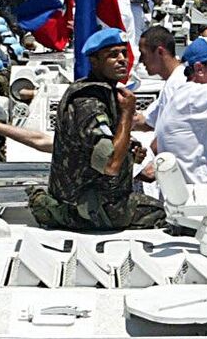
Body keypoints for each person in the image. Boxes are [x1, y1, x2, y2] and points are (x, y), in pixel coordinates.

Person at [27, 28, 164, 232]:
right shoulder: (88, 103)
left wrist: (129, 153)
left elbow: (99, 147)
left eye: (123, 53)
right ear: (94, 61)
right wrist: (128, 114)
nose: (122, 60)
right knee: (164, 213)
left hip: (90, 199)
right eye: (112, 55)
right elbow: (110, 164)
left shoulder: (103, 94)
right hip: (88, 209)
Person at [143, 36, 207, 183]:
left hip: (202, 187)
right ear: (200, 69)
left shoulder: (186, 93)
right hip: (206, 192)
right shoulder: (195, 95)